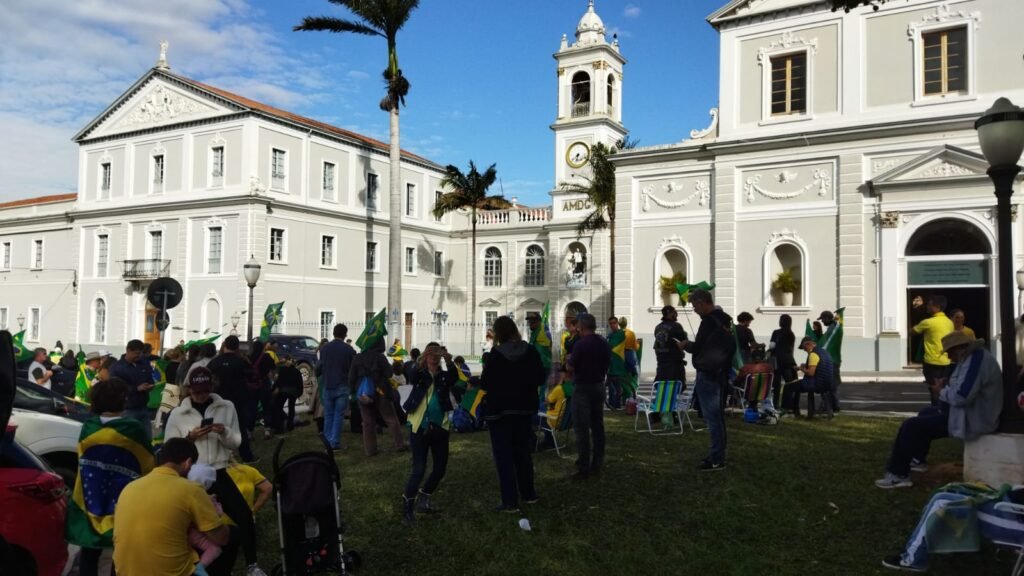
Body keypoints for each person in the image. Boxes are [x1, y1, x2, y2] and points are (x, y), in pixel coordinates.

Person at [164, 368, 266, 576]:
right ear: (189, 389)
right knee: (191, 525)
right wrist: (190, 438)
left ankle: (252, 565)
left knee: (244, 516)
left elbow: (236, 442)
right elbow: (169, 448)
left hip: (219, 470)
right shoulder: (178, 413)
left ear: (211, 388)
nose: (200, 396)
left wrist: (223, 432)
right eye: (196, 392)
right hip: (193, 475)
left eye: (204, 391)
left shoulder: (226, 407)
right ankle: (193, 565)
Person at [875, 331, 1002, 489]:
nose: (948, 357)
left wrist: (940, 391)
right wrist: (946, 387)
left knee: (911, 426)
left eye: (949, 352)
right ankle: (918, 460)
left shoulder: (976, 361)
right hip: (968, 414)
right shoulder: (972, 359)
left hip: (973, 419)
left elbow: (961, 397)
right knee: (926, 413)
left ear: (958, 349)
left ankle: (898, 474)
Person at [66, 378, 155, 576]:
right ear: (122, 400)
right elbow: (147, 461)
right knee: (120, 549)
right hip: (123, 495)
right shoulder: (132, 429)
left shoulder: (88, 427)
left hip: (92, 493)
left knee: (90, 548)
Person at [113, 437, 232, 576]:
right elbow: (221, 538)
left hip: (124, 571)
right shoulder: (190, 489)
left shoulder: (129, 488)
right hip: (171, 573)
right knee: (231, 535)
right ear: (188, 463)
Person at [881, 484, 1024, 572]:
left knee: (942, 501)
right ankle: (938, 543)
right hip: (1012, 508)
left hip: (1014, 517)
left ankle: (912, 559)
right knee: (954, 490)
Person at [480, 316, 544, 511]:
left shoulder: (495, 355)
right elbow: (540, 376)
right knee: (523, 453)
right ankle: (528, 493)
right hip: (524, 410)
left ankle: (509, 501)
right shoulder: (530, 351)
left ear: (498, 333)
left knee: (504, 457)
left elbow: (486, 383)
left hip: (500, 412)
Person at [400, 343, 458, 526]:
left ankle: (424, 498)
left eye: (436, 353)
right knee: (419, 469)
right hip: (420, 426)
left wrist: (449, 361)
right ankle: (408, 510)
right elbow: (411, 376)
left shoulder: (443, 376)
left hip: (440, 426)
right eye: (430, 353)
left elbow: (454, 378)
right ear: (426, 355)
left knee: (440, 469)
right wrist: (421, 360)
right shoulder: (420, 374)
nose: (433, 356)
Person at [679, 288, 735, 472]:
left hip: (709, 374)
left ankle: (717, 458)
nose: (694, 310)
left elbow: (698, 347)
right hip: (720, 372)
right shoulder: (725, 320)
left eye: (695, 306)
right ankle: (718, 454)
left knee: (713, 418)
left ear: (702, 303)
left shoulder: (709, 322)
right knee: (716, 417)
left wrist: (686, 344)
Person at [566, 313, 610, 480]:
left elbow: (570, 367)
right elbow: (607, 362)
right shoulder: (603, 342)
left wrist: (569, 360)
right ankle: (597, 463)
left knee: (582, 428)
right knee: (597, 426)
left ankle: (584, 465)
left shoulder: (581, 344)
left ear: (582, 327)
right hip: (599, 385)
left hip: (583, 387)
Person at [350, 337, 406, 456]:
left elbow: (351, 377)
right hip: (381, 391)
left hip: (364, 392)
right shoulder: (380, 357)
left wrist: (353, 392)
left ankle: (370, 449)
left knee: (367, 422)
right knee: (390, 418)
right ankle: (399, 444)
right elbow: (389, 373)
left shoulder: (357, 358)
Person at [206, 335, 256, 463]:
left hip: (218, 400)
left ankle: (218, 455)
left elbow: (207, 376)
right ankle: (246, 456)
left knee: (217, 427)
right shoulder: (241, 361)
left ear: (224, 345)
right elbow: (253, 375)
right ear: (237, 347)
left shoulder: (215, 361)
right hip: (238, 399)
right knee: (240, 428)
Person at [111, 339, 156, 445]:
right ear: (128, 351)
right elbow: (117, 387)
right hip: (128, 409)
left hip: (144, 407)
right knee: (129, 441)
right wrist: (136, 388)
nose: (139, 356)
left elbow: (150, 378)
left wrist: (150, 385)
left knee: (147, 439)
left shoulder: (143, 364)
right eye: (136, 353)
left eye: (141, 353)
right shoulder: (118, 367)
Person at [319, 324, 356, 450]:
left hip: (328, 384)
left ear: (333, 333)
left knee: (328, 414)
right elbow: (353, 368)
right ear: (345, 334)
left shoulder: (324, 349)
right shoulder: (348, 349)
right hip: (342, 385)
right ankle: (334, 442)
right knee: (338, 415)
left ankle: (327, 440)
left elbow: (319, 366)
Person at [912, 295, 955, 406]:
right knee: (944, 387)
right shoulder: (949, 322)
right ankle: (944, 408)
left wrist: (917, 313)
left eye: (929, 304)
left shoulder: (928, 322)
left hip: (932, 362)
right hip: (946, 361)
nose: (927, 306)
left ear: (936, 307)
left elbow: (912, 332)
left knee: (934, 389)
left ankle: (936, 409)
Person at [185, 463, 225, 576]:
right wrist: (216, 504)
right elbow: (217, 516)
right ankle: (200, 568)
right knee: (215, 548)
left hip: (182, 531)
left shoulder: (183, 492)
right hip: (196, 533)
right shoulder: (206, 499)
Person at [782, 337, 834, 419]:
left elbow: (810, 373)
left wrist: (802, 369)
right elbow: (819, 368)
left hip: (816, 383)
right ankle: (796, 411)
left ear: (808, 344)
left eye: (803, 347)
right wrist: (802, 367)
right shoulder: (824, 352)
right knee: (796, 385)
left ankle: (786, 410)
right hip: (827, 383)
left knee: (788, 387)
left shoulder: (813, 355)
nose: (803, 350)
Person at [653, 305, 687, 383]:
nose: (676, 314)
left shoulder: (657, 327)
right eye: (675, 312)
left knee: (663, 387)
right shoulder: (676, 326)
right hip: (674, 363)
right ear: (671, 313)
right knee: (676, 387)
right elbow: (684, 340)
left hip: (661, 363)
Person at [768, 314, 796, 409]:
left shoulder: (776, 332)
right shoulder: (791, 334)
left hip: (777, 361)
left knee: (776, 384)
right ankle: (788, 405)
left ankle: (776, 404)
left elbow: (772, 346)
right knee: (789, 383)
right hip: (788, 361)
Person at [818, 309, 844, 413]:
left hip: (831, 360)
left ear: (827, 318)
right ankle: (830, 406)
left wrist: (819, 351)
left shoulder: (835, 327)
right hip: (831, 360)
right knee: (829, 385)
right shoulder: (831, 328)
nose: (822, 322)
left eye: (823, 320)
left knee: (830, 385)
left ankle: (831, 407)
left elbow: (827, 343)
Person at [605, 316, 627, 409]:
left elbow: (612, 346)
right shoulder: (610, 335)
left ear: (617, 323)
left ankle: (617, 404)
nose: (612, 325)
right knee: (610, 387)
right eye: (610, 323)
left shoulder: (621, 334)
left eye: (614, 323)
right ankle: (611, 404)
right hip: (610, 365)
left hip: (618, 364)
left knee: (617, 387)